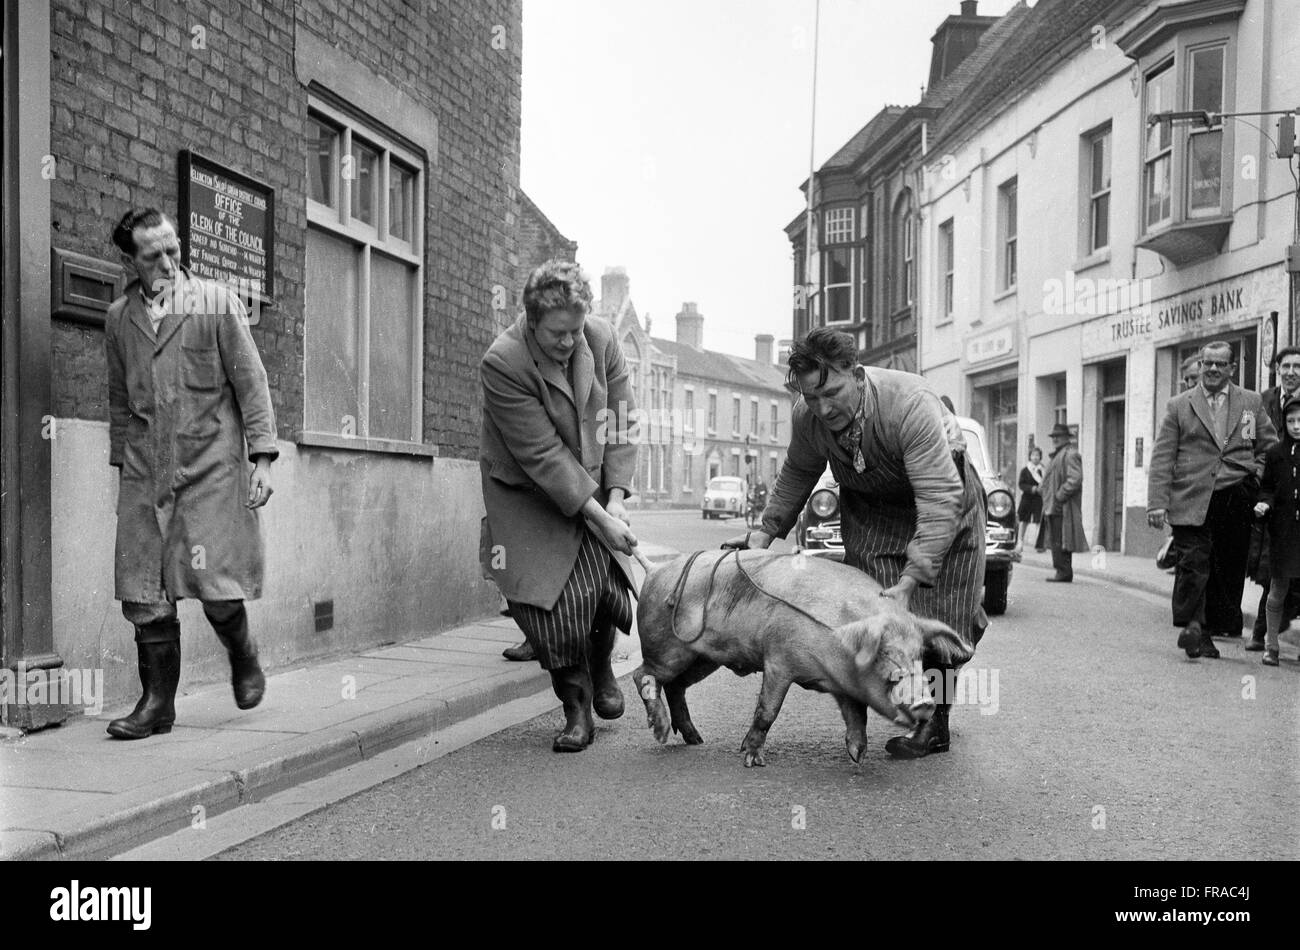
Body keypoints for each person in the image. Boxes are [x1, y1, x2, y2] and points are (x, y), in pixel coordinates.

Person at [730, 328, 986, 759]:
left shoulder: (909, 405)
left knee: (937, 618)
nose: (823, 407)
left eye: (832, 392)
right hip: (872, 513)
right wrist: (764, 533)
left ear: (859, 374)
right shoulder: (808, 415)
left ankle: (934, 724)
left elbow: (938, 499)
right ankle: (887, 705)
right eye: (812, 397)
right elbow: (798, 471)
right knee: (878, 615)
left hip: (945, 507)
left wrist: (911, 580)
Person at [104, 209, 277, 739]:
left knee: (217, 586)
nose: (168, 262)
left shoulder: (217, 302)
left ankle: (243, 656)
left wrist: (262, 458)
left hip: (209, 468)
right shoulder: (118, 318)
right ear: (132, 260)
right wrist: (121, 465)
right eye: (153, 255)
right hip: (143, 469)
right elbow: (118, 399)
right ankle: (157, 705)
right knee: (144, 593)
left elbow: (251, 382)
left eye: (173, 249)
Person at [479, 260, 639, 752]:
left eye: (575, 330)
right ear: (530, 320)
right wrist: (600, 517)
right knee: (551, 607)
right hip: (529, 494)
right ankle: (576, 709)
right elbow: (543, 456)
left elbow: (621, 420)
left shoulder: (603, 338)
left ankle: (603, 666)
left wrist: (615, 498)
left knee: (603, 587)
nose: (570, 342)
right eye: (557, 334)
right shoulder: (503, 362)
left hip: (591, 485)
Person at [1147, 341, 1277, 658]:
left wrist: (1256, 476)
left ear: (1231, 369)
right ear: (1201, 366)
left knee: (1226, 568)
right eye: (1208, 364)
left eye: (1220, 364)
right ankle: (1197, 630)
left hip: (1235, 497)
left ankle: (1213, 626)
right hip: (1191, 498)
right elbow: (1163, 456)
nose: (1213, 369)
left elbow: (1269, 448)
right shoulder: (1179, 405)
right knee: (1194, 563)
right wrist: (1157, 502)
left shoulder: (1250, 402)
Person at [1246, 345, 1300, 650]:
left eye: (1297, 367)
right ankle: (1263, 634)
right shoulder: (1260, 402)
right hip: (1269, 494)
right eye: (1285, 367)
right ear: (1277, 369)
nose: (1291, 372)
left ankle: (1264, 633)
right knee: (1271, 565)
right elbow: (1247, 439)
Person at [1038, 424, 1088, 582]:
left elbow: (1075, 479)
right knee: (1057, 540)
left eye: (1058, 436)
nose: (1055, 439)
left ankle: (1064, 571)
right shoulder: (1059, 454)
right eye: (1053, 437)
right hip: (1054, 505)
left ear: (1067, 438)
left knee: (1062, 540)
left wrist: (1060, 495)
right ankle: (1062, 571)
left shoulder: (1070, 454)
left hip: (1062, 506)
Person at [1017, 446, 1045, 553]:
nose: (1035, 457)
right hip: (1027, 498)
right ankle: (1020, 542)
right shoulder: (1025, 470)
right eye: (1033, 455)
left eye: (1037, 455)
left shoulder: (1043, 470)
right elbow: (1021, 484)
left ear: (1040, 457)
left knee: (1039, 521)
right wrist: (1032, 488)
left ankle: (1039, 544)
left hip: (1038, 499)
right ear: (1030, 457)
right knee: (1024, 520)